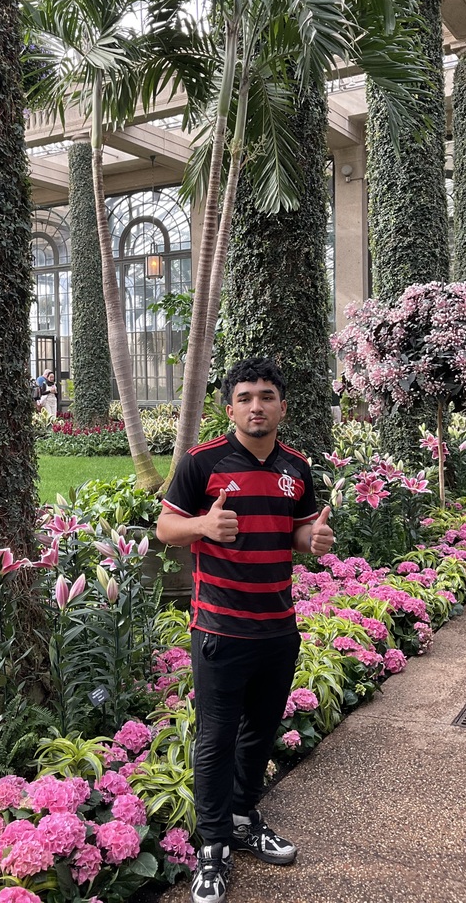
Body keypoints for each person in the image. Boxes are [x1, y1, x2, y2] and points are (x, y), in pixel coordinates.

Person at [155, 357, 334, 903]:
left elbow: (297, 533)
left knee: (260, 731)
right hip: (221, 629)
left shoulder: (297, 469)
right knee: (215, 738)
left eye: (266, 396)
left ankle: (240, 817)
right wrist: (203, 525)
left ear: (282, 404)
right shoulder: (201, 463)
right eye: (245, 397)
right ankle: (212, 848)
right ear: (229, 406)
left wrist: (313, 542)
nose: (256, 406)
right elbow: (165, 527)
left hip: (279, 628)